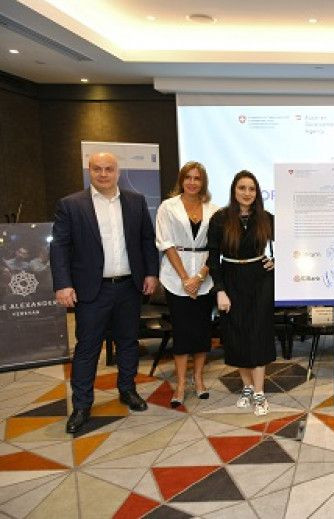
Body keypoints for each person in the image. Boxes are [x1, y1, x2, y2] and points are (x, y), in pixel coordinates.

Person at [50, 151, 159, 434]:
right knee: (87, 348)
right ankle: (82, 406)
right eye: (97, 169)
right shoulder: (71, 205)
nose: (103, 174)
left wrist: (151, 273)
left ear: (117, 172)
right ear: (90, 171)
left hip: (129, 287)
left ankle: (127, 390)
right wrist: (62, 284)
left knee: (128, 343)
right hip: (91, 290)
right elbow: (59, 247)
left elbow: (147, 239)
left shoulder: (135, 201)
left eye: (109, 169)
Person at [207, 170, 276, 416]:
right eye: (242, 188)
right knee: (236, 335)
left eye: (252, 189)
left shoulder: (266, 218)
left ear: (257, 192)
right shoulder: (220, 219)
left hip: (260, 281)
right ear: (234, 190)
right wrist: (220, 291)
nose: (247, 193)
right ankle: (247, 387)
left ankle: (259, 392)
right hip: (231, 280)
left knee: (258, 335)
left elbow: (292, 243)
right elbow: (213, 258)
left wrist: (276, 261)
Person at [155, 161, 219, 407]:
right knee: (182, 333)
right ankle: (181, 384)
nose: (192, 182)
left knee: (202, 332)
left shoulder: (214, 210)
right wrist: (185, 279)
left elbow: (216, 247)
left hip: (205, 278)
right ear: (181, 180)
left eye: (197, 178)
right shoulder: (167, 207)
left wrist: (200, 277)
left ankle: (198, 379)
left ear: (203, 182)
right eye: (188, 177)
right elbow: (166, 243)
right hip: (175, 278)